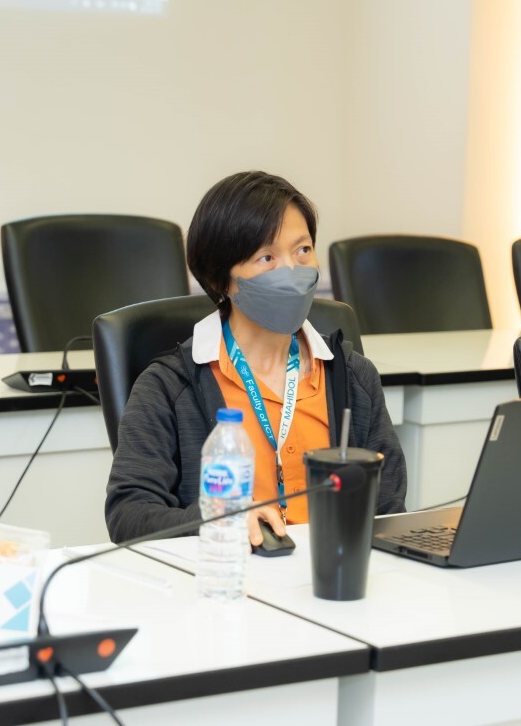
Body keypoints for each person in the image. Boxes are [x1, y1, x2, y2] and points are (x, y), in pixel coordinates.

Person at [104, 171, 407, 544]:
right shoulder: (167, 387)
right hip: (230, 570)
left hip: (333, 570)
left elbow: (389, 508)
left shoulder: (354, 376)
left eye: (303, 250)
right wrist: (219, 519)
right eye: (267, 257)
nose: (291, 271)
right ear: (220, 280)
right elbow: (128, 513)